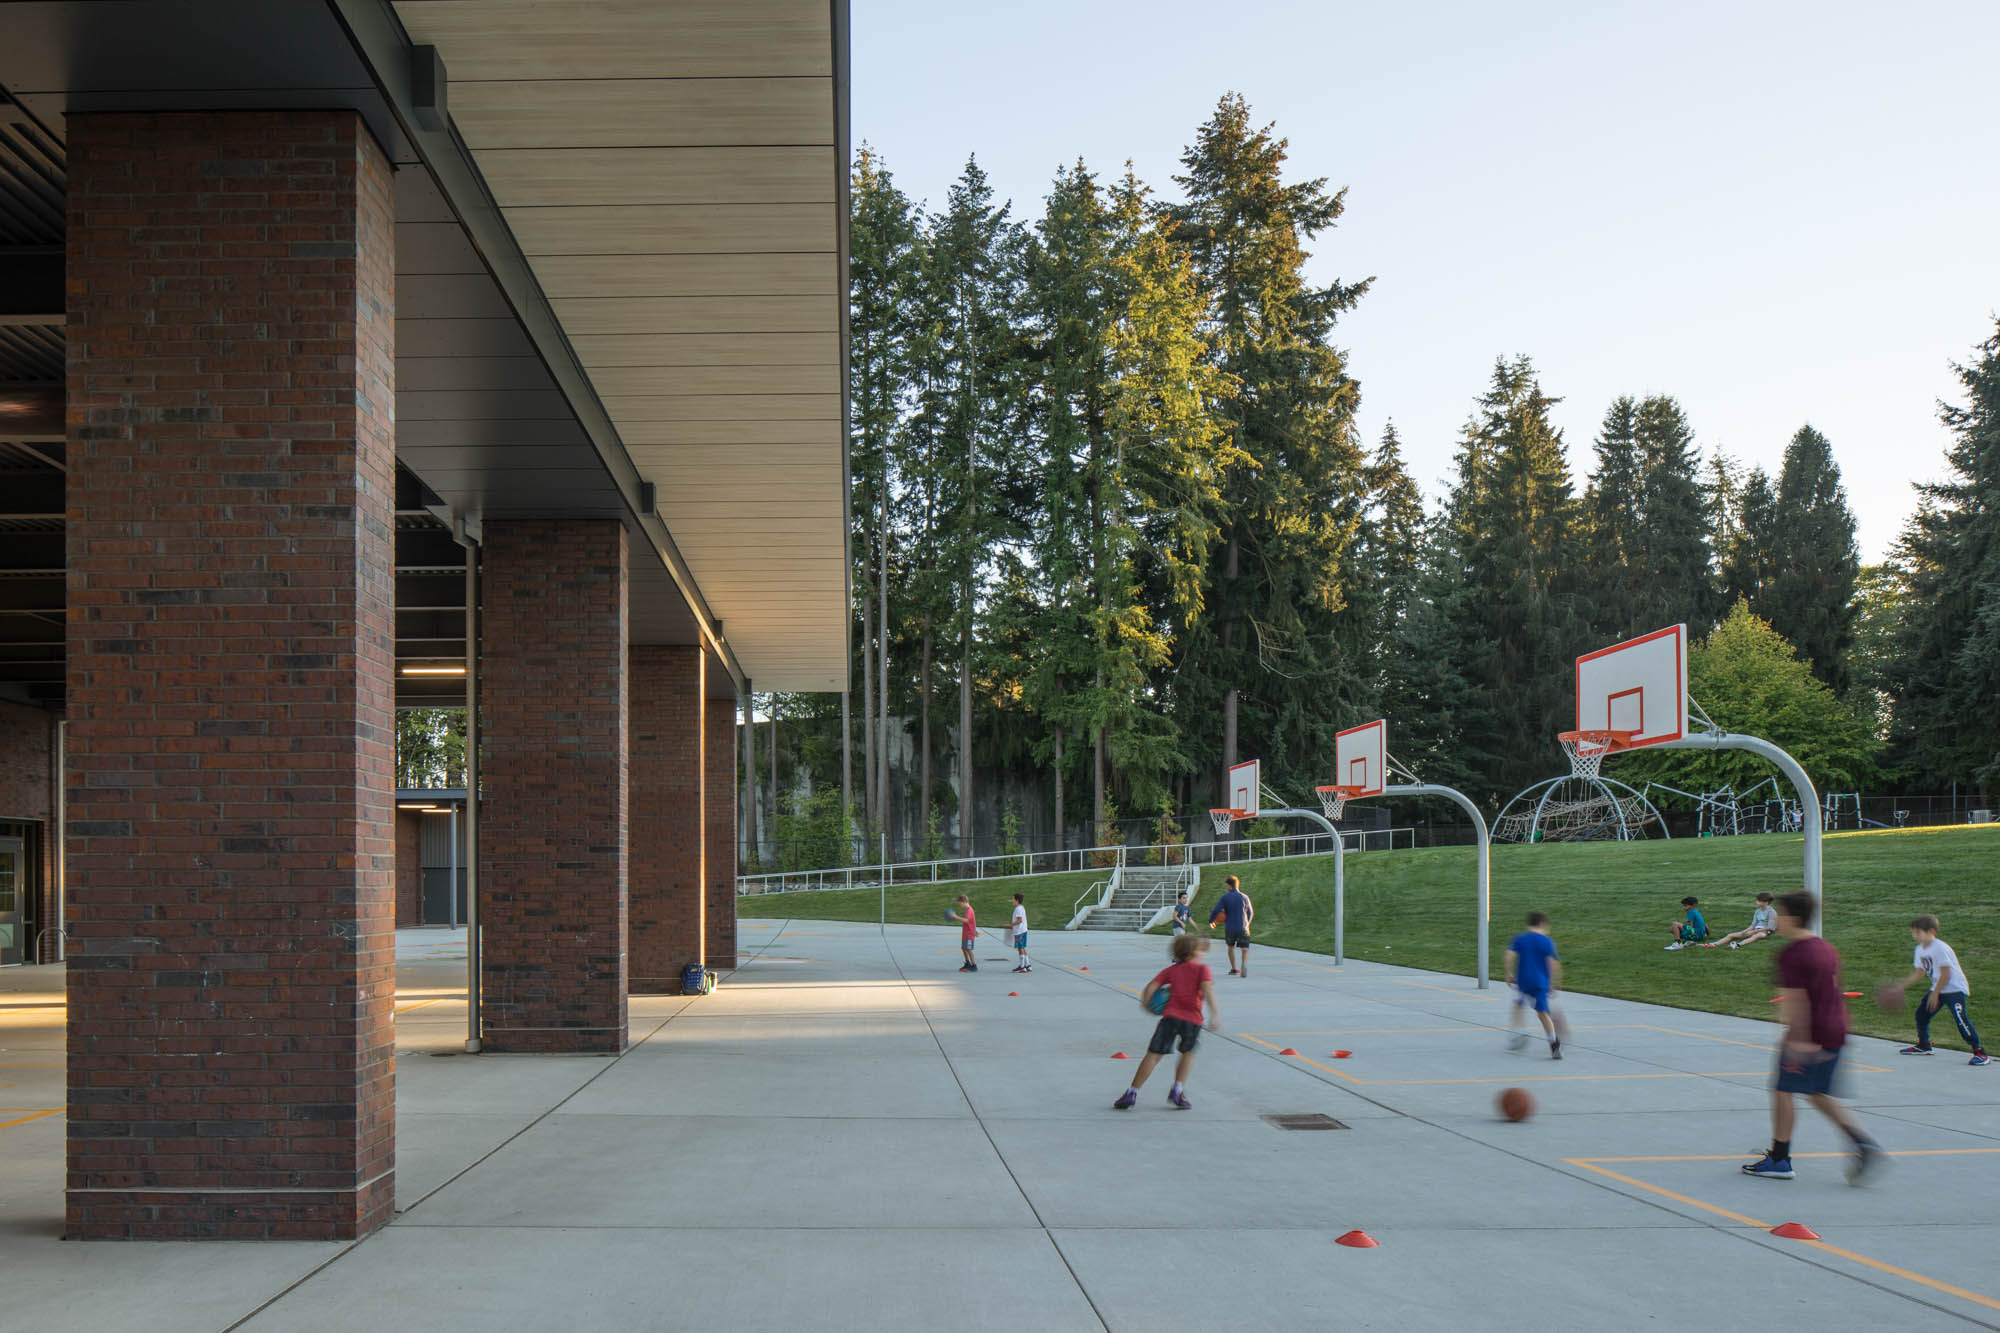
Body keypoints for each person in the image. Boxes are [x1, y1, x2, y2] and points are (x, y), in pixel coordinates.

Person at [1741, 891, 1887, 1184]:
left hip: (1809, 1034)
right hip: (1835, 1030)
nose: (1776, 919)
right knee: (1815, 1092)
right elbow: (1833, 990)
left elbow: (1796, 1002)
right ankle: (1862, 1144)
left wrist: (1798, 1041)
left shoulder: (1792, 954)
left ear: (1793, 918)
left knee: (1783, 1089)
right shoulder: (1825, 948)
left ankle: (1780, 1159)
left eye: (1780, 914)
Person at [1114, 934, 1219, 1111]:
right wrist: (1215, 1013)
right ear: (1194, 952)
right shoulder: (1203, 970)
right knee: (1187, 1053)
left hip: (1170, 1018)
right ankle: (1177, 1090)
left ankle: (1132, 1092)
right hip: (1192, 1021)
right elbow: (1207, 990)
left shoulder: (1171, 971)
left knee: (1153, 1055)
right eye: (1200, 950)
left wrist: (1146, 1005)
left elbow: (1151, 987)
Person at [1887, 914, 1988, 1065]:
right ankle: (1924, 1046)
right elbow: (1919, 973)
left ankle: (1980, 1052)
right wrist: (1900, 986)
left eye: (1918, 932)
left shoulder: (1940, 948)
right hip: (1938, 988)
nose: (1915, 936)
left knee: (1961, 1019)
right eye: (1913, 933)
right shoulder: (1919, 950)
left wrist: (1935, 994)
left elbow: (1946, 975)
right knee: (1921, 1015)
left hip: (1954, 989)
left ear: (1931, 932)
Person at [1506, 910, 1567, 1059]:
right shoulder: (1547, 941)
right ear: (1543, 924)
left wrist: (1508, 973)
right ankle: (1553, 1042)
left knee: (1518, 1005)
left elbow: (1509, 955)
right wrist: (1556, 982)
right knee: (1543, 1013)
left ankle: (1520, 1032)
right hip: (1540, 982)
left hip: (1523, 981)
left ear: (1528, 924)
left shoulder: (1519, 939)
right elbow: (1553, 964)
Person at [1208, 875, 1254, 977]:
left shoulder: (1225, 897)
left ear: (1229, 886)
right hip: (1243, 927)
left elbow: (1216, 910)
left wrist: (1211, 920)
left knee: (1230, 947)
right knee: (1245, 948)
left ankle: (1233, 969)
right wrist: (1247, 925)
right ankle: (1244, 965)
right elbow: (1250, 913)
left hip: (1230, 927)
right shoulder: (1245, 897)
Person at [1704, 892, 1778, 950]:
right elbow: (1753, 924)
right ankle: (1714, 944)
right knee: (1731, 935)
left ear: (1766, 902)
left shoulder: (1771, 912)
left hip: (1765, 930)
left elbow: (1770, 927)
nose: (1756, 902)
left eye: (1759, 901)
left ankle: (1738, 945)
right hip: (1756, 929)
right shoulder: (1757, 911)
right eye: (1757, 900)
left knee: (1757, 936)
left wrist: (1755, 931)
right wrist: (1745, 931)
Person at [945, 895, 978, 972]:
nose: (960, 905)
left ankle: (974, 966)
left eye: (960, 903)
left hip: (969, 934)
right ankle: (967, 963)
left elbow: (966, 920)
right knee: (963, 948)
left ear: (964, 902)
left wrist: (955, 916)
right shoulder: (967, 910)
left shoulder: (969, 910)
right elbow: (971, 921)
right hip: (966, 933)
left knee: (968, 949)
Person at [1009, 893, 1031, 974]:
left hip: (1019, 931)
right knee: (1022, 947)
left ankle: (1022, 967)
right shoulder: (1021, 908)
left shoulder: (1018, 909)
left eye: (1013, 899)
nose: (1012, 901)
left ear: (1017, 900)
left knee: (1020, 948)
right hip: (1022, 930)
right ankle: (1028, 965)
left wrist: (1010, 925)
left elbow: (1019, 920)